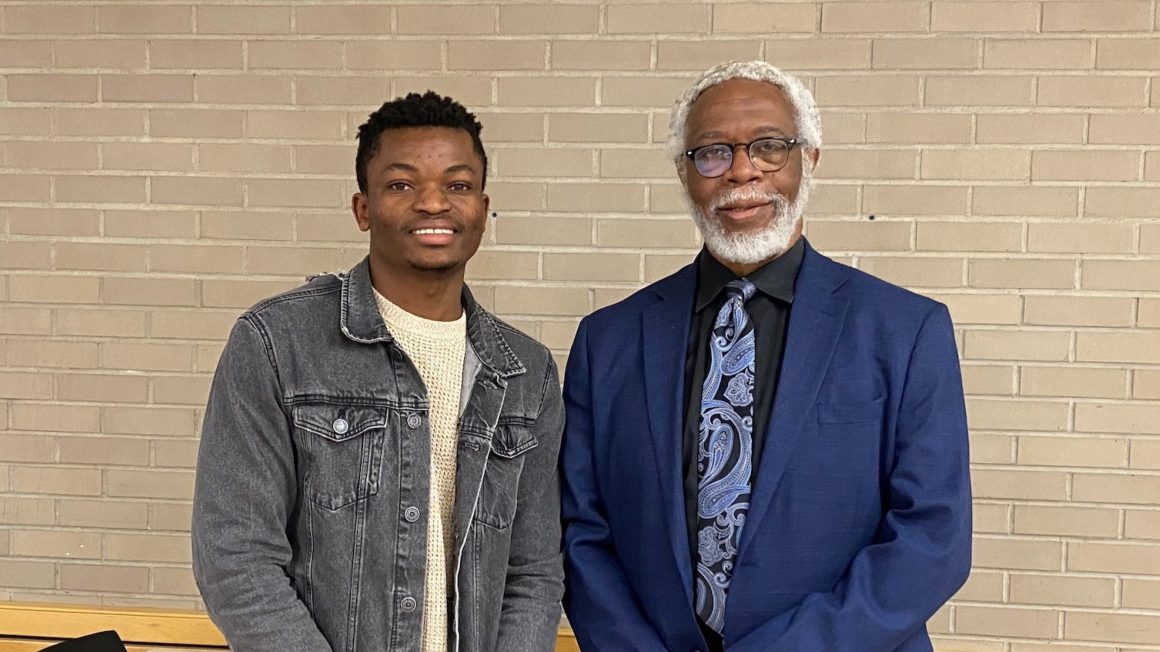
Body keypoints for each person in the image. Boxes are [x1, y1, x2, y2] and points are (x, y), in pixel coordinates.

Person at [560, 61, 971, 652]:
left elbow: (933, 536)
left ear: (811, 158)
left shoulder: (906, 331)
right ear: (685, 173)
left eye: (770, 147)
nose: (741, 171)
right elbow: (582, 531)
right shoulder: (609, 340)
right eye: (712, 153)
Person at [192, 91, 564, 652]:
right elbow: (236, 559)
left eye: (458, 185)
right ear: (362, 207)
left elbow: (533, 572)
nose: (433, 203)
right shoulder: (276, 343)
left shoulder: (525, 371)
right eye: (401, 184)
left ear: (483, 209)